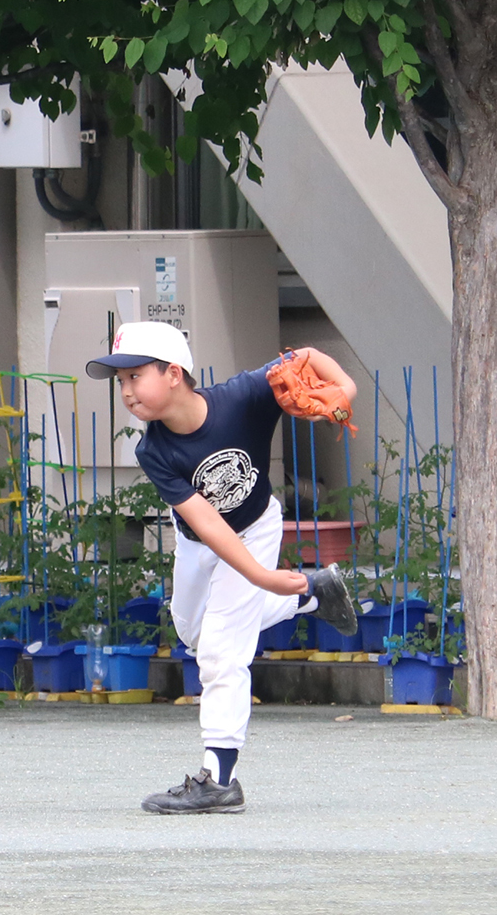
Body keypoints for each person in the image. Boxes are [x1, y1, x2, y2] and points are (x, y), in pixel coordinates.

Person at [85, 322, 359, 815]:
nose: (125, 390)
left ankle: (220, 780)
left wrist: (345, 391)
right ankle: (309, 595)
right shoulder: (153, 450)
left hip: (255, 528)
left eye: (135, 376)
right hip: (199, 541)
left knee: (219, 652)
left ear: (174, 373)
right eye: (120, 380)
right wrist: (265, 579)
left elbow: (306, 355)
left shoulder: (243, 397)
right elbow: (208, 525)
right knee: (193, 633)